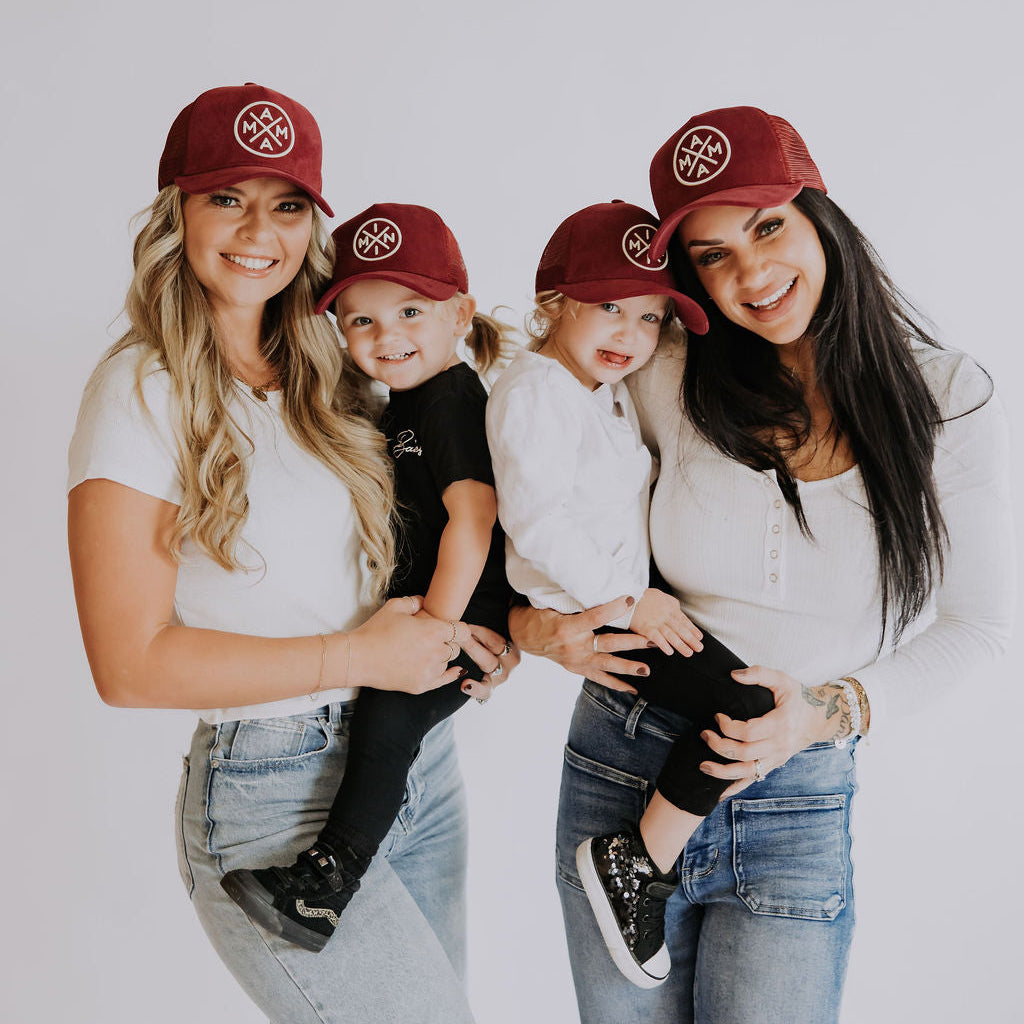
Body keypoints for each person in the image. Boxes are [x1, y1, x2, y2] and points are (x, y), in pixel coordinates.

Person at [508, 105, 1015, 1023]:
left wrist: (824, 714)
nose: (751, 274)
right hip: (621, 764)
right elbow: (530, 473)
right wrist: (533, 627)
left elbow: (980, 627)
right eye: (710, 255)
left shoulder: (947, 397)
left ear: (822, 215)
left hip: (795, 796)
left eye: (768, 226)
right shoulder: (662, 367)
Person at [66, 84, 512, 1023]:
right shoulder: (139, 393)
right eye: (226, 197)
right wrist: (362, 656)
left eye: (288, 203)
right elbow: (127, 664)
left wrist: (469, 635)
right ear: (176, 214)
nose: (258, 229)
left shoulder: (337, 363)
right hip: (274, 793)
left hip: (411, 764)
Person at [486, 199, 775, 988]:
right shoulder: (537, 391)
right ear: (554, 305)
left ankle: (640, 857)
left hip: (625, 606)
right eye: (609, 307)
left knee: (742, 702)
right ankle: (633, 863)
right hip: (605, 615)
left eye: (649, 318)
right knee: (748, 707)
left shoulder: (600, 387)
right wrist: (630, 597)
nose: (630, 334)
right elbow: (538, 521)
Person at [220, 202, 514, 951]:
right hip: (430, 619)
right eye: (361, 321)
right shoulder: (404, 402)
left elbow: (474, 521)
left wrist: (436, 629)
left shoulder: (451, 403)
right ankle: (331, 872)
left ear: (460, 314)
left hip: (454, 619)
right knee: (386, 730)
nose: (388, 337)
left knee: (386, 727)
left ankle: (328, 882)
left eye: (412, 311)